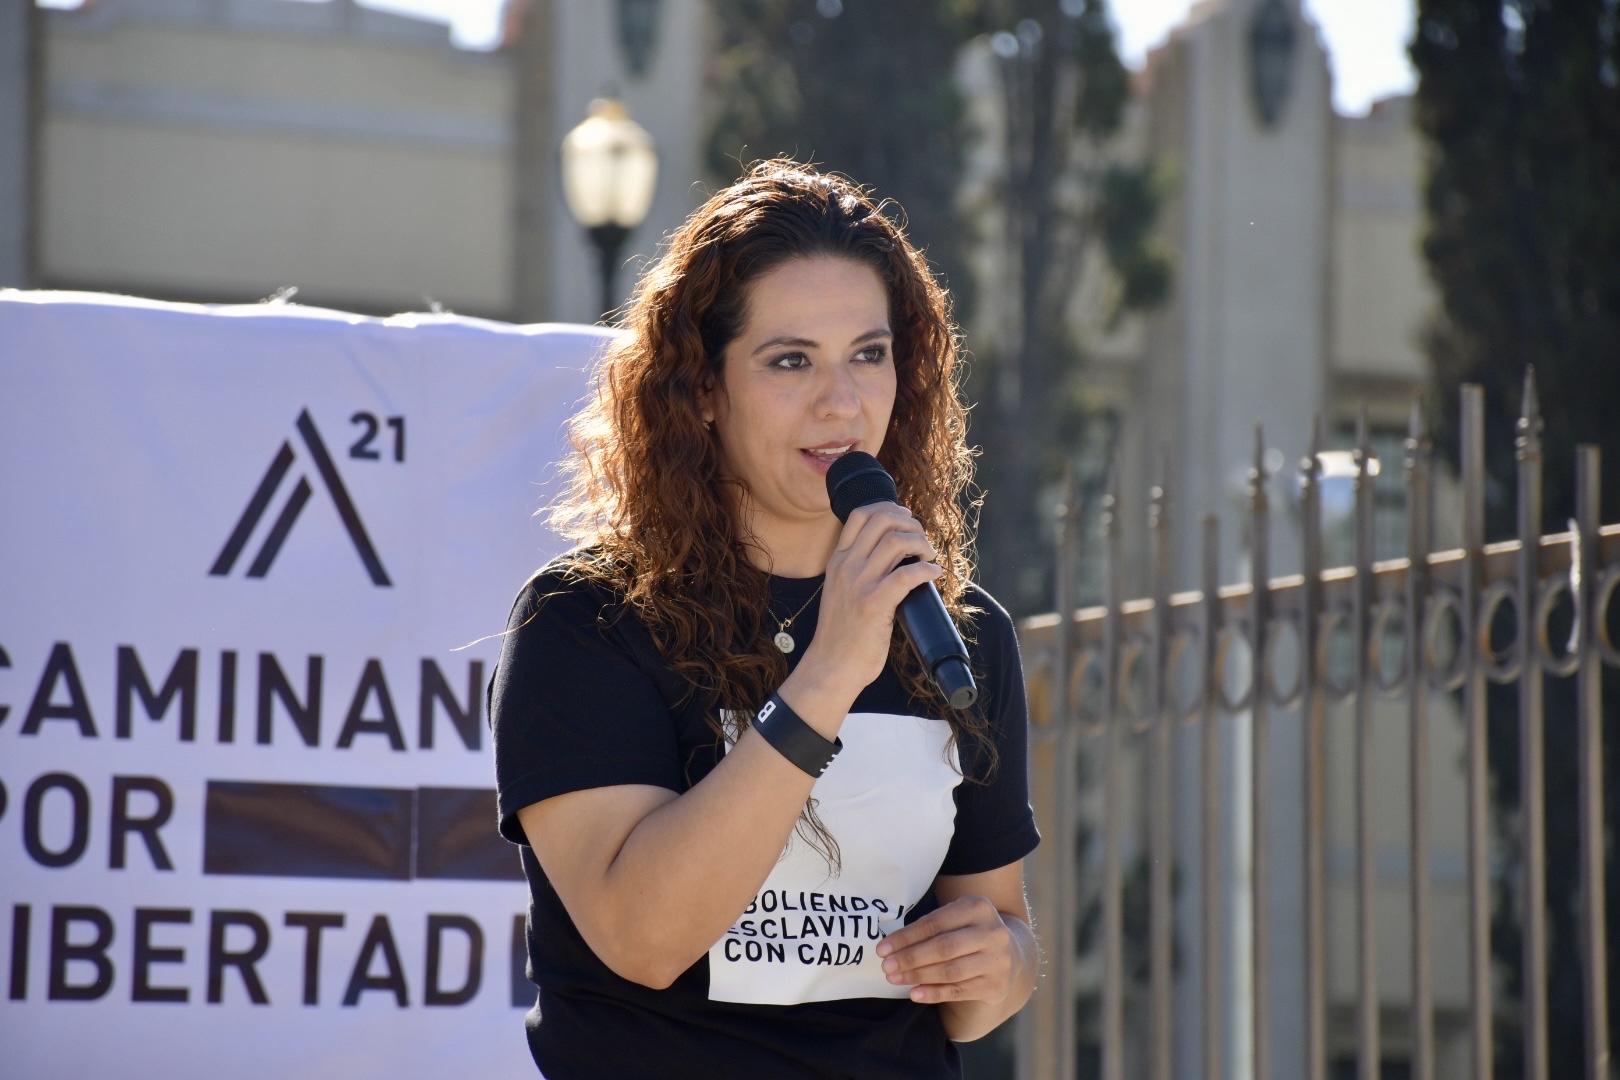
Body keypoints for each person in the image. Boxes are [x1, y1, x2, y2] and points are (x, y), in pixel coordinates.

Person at [490, 160, 1040, 1079]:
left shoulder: (959, 630)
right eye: (792, 361)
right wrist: (829, 672)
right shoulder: (587, 621)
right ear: (703, 389)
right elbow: (643, 937)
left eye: (869, 354)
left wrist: (1002, 962)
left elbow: (991, 970)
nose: (843, 400)